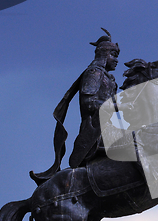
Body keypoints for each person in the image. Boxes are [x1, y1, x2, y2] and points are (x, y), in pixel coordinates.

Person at [30, 28, 121, 185]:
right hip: (96, 132)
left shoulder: (108, 77)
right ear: (103, 54)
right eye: (113, 55)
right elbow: (89, 103)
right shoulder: (94, 73)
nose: (116, 59)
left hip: (113, 127)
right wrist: (116, 106)